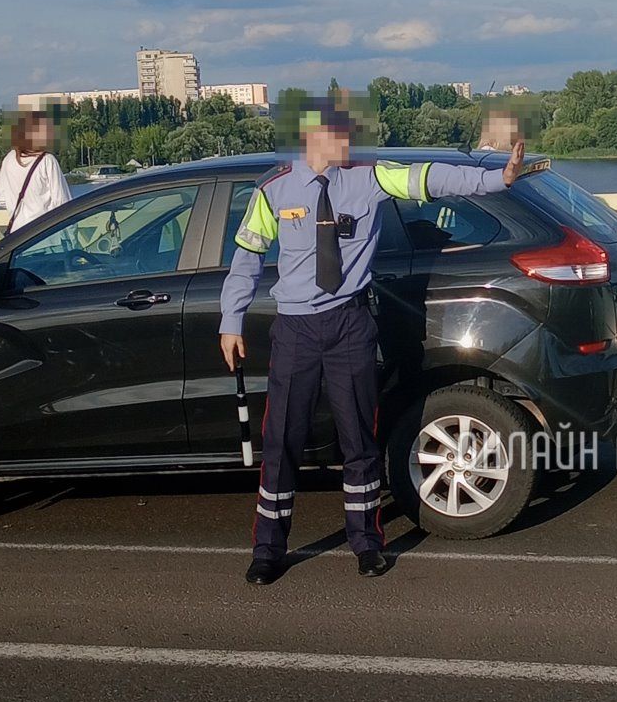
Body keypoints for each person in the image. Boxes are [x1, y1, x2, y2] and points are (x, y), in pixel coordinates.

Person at [219, 95, 526, 584]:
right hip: (296, 331)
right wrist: (230, 320)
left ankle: (366, 543)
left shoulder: (370, 177)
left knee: (360, 439)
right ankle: (268, 548)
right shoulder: (273, 190)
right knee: (281, 443)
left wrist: (496, 179)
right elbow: (246, 258)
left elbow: (429, 179)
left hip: (350, 326)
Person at [0, 110, 71, 232]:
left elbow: (1, 199)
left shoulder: (9, 159)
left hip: (18, 236)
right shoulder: (47, 160)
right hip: (45, 233)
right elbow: (62, 202)